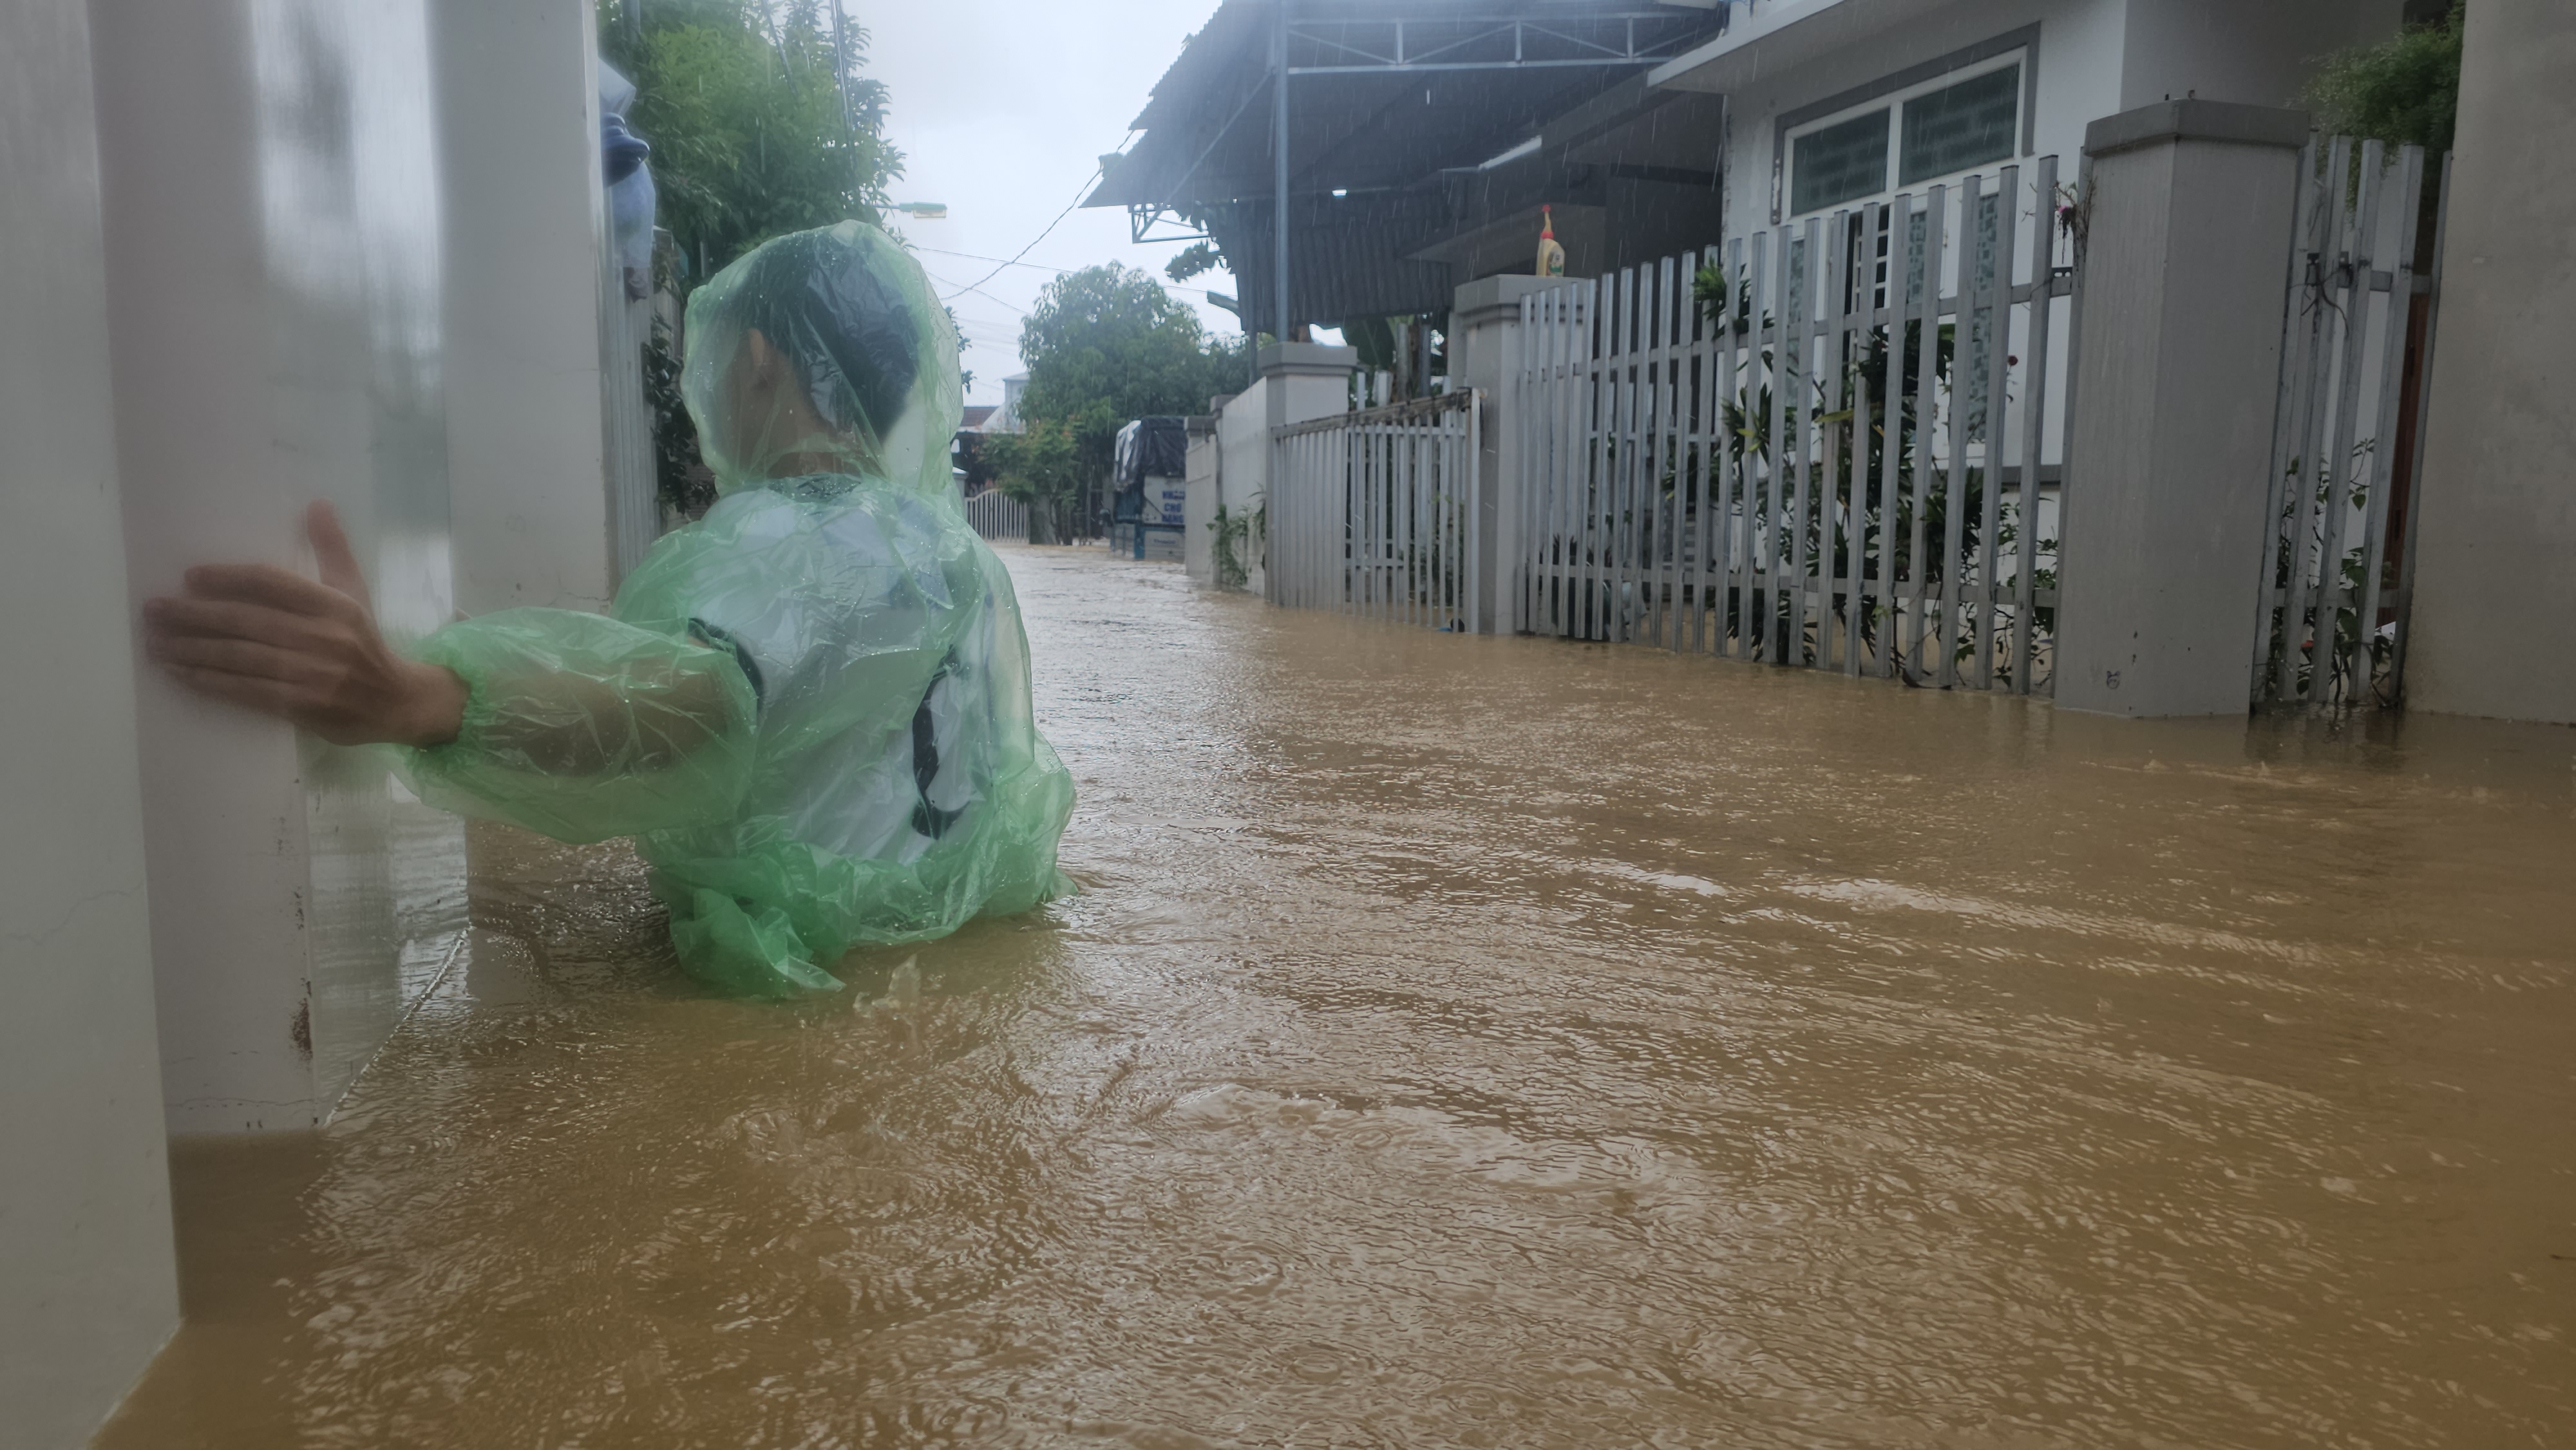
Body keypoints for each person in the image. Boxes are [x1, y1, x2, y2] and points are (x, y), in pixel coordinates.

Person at [143, 222, 1075, 996]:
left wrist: (423, 699)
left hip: (793, 995)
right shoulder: (962, 561)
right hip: (952, 987)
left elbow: (695, 701)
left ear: (758, 362)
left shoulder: (777, 545)